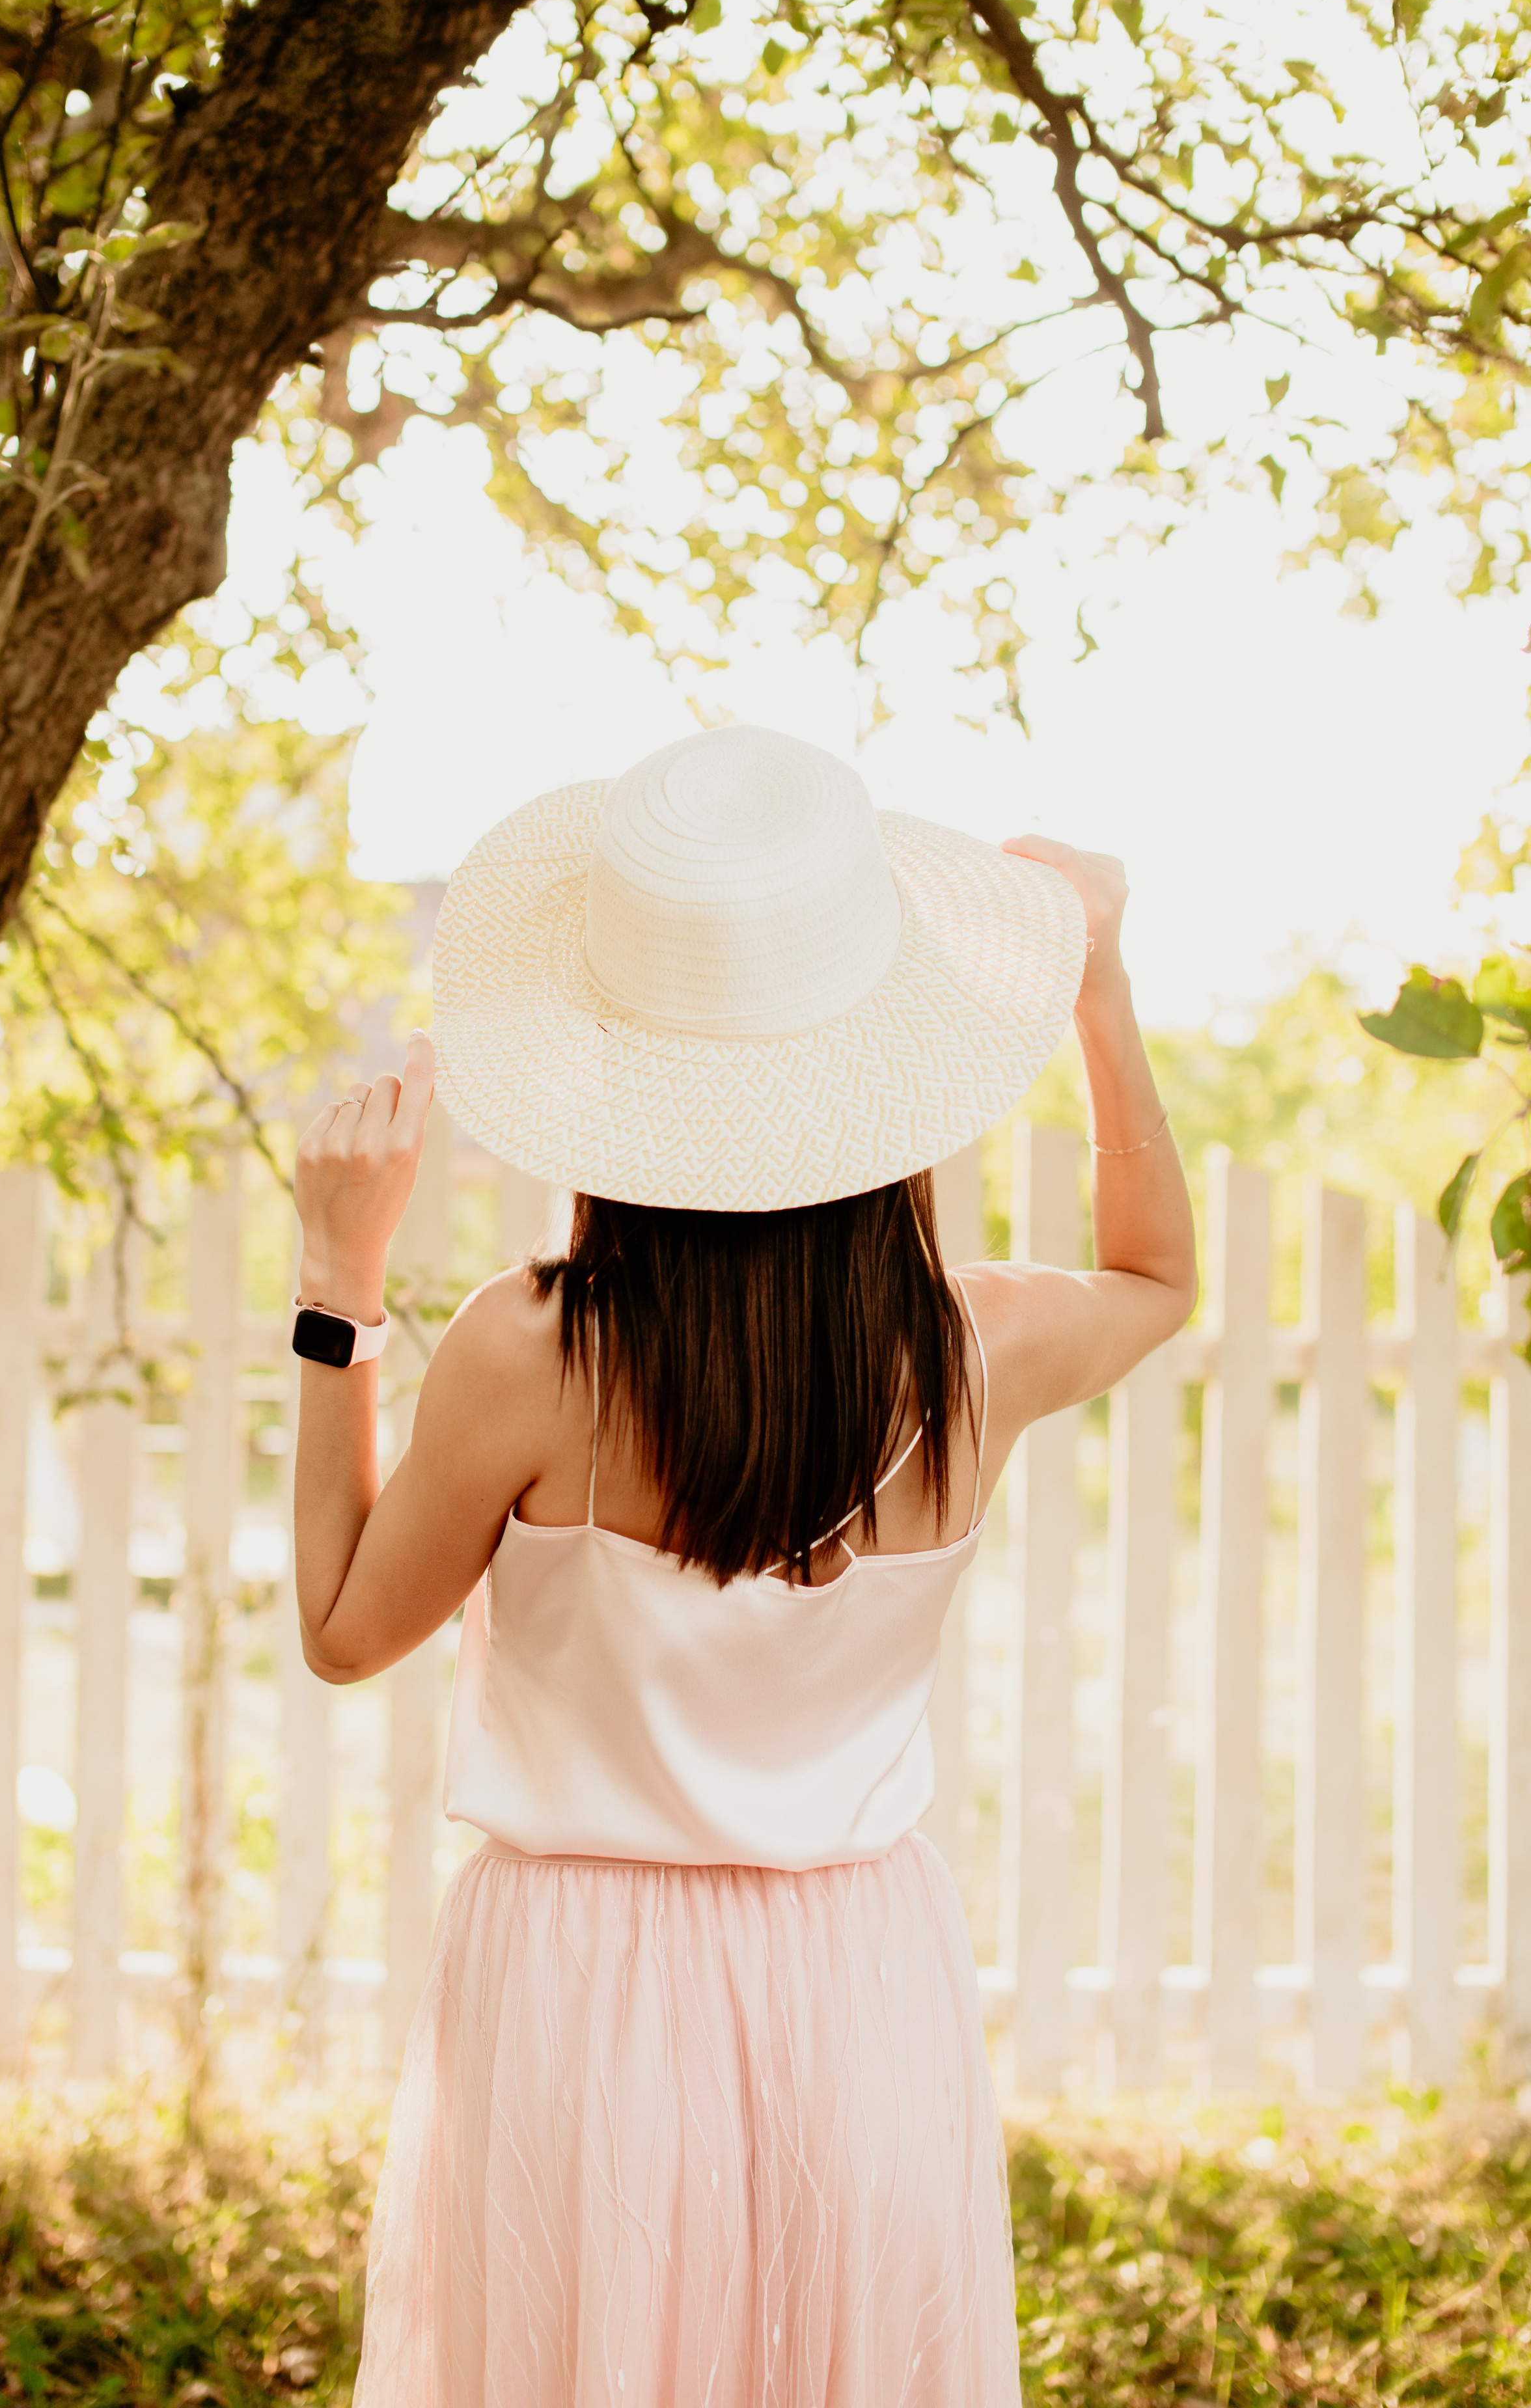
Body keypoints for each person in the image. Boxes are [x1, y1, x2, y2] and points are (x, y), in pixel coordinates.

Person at [290, 725, 1195, 2407]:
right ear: (883, 1076)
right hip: (859, 1976)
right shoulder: (970, 1350)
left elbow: (347, 1634)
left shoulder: (527, 1352)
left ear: (606, 1075)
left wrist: (336, 1290)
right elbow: (1156, 1281)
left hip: (575, 1986)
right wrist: (1097, 986)